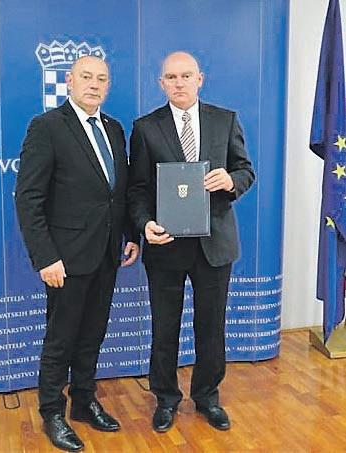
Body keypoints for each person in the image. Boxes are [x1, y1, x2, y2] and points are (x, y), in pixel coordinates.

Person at [15, 55, 139, 452]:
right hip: (65, 259)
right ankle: (52, 412)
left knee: (92, 335)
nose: (94, 84)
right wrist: (45, 257)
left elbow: (116, 193)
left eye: (101, 78)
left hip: (107, 253)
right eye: (86, 77)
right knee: (61, 339)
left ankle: (84, 401)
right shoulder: (48, 127)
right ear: (69, 81)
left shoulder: (114, 129)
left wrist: (130, 234)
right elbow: (29, 198)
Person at [128, 51, 255, 433]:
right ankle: (165, 399)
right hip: (165, 245)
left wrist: (231, 181)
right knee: (164, 328)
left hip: (214, 245)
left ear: (200, 79)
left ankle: (207, 397)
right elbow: (137, 189)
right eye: (171, 77)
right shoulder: (145, 128)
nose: (179, 82)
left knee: (211, 327)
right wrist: (144, 224)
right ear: (161, 83)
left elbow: (245, 170)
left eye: (186, 75)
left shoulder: (224, 119)